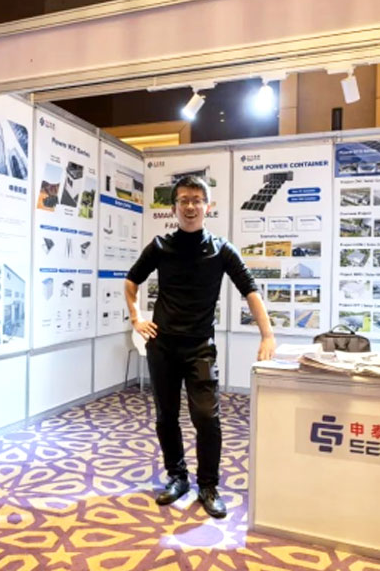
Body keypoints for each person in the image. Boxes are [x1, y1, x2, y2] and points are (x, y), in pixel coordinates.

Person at [125, 175, 275, 518]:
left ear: (208, 206)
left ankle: (208, 485)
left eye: (196, 200)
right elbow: (132, 281)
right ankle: (177, 477)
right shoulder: (160, 246)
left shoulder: (221, 249)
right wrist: (136, 318)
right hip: (162, 346)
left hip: (199, 348)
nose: (190, 206)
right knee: (166, 415)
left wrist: (267, 335)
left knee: (207, 417)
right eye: (183, 200)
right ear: (174, 208)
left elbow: (250, 289)